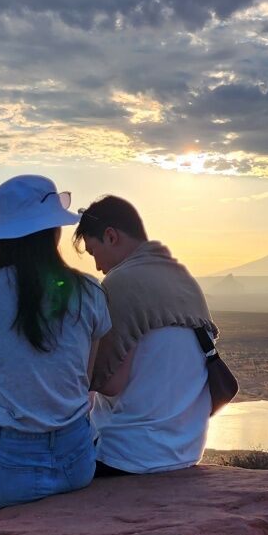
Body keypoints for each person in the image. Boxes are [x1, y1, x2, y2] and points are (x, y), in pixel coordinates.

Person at [0, 174, 109, 535]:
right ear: (54, 232)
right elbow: (85, 382)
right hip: (76, 465)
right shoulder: (89, 291)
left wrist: (6, 450)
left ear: (3, 236)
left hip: (7, 472)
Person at [73, 195, 214, 476]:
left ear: (111, 236)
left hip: (127, 456)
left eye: (92, 251)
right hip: (187, 451)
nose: (98, 267)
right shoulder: (184, 280)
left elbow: (110, 383)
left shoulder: (120, 283)